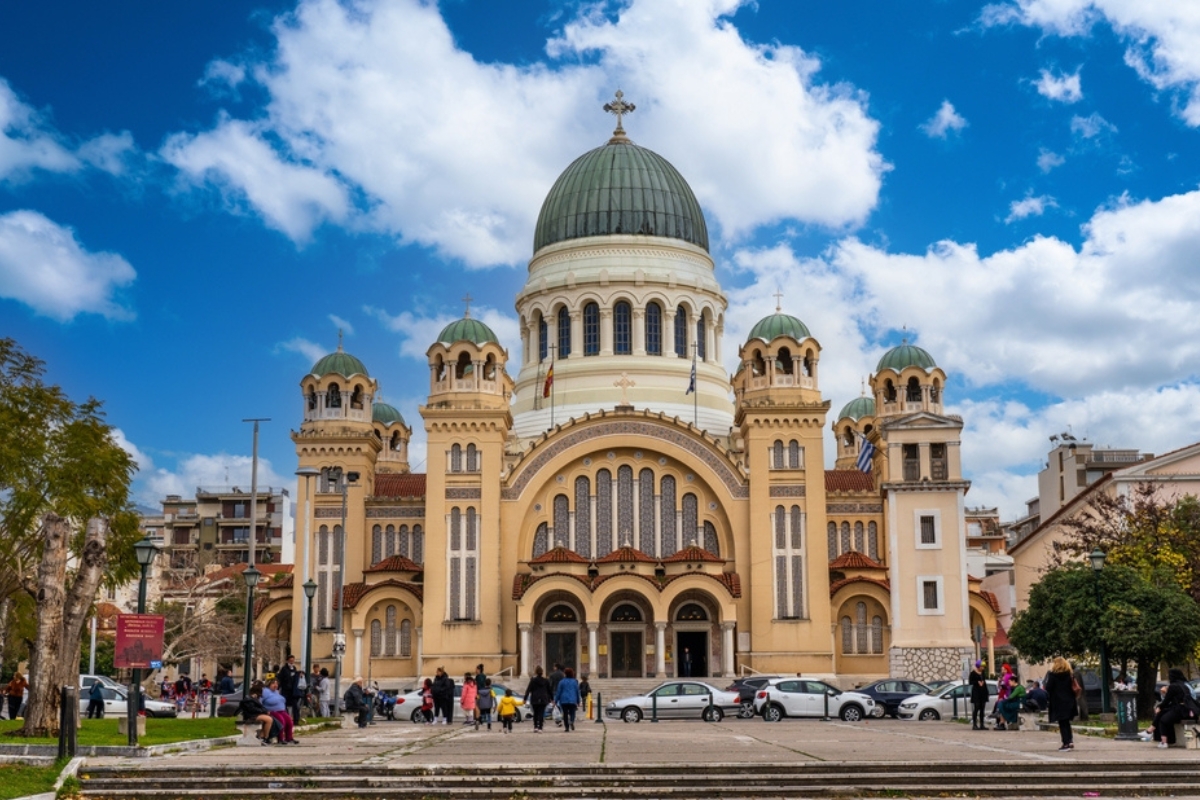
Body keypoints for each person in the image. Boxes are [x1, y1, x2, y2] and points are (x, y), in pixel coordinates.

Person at [1145, 668, 1200, 748]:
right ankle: (1149, 731)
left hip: (1182, 711)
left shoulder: (1173, 686)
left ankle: (1163, 741)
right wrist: (1161, 707)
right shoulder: (1184, 685)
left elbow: (1167, 700)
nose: (1168, 676)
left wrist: (1159, 706)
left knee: (1163, 720)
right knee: (1162, 713)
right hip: (1187, 709)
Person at [1044, 657, 1077, 751]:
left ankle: (1065, 743)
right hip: (1069, 700)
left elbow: (1048, 687)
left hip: (1058, 701)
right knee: (1067, 722)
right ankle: (1070, 741)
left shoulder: (1053, 675)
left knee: (1062, 723)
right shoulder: (1070, 674)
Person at [262, 678, 298, 744]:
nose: (275, 685)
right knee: (281, 721)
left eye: (276, 684)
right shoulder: (265, 691)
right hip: (272, 711)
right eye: (273, 683)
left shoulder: (276, 692)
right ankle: (280, 739)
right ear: (269, 684)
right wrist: (264, 710)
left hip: (282, 711)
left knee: (289, 722)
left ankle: (289, 738)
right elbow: (260, 702)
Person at [524, 665, 552, 733]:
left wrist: (525, 698)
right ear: (542, 672)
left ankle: (535, 726)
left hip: (535, 698)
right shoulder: (546, 681)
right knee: (541, 713)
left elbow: (528, 690)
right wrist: (552, 698)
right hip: (543, 698)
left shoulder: (533, 680)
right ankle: (540, 727)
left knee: (535, 713)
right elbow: (549, 690)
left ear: (536, 672)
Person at [554, 667, 581, 733]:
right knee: (572, 712)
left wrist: (555, 700)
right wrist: (578, 701)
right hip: (572, 699)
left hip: (564, 700)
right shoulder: (574, 682)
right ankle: (571, 721)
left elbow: (558, 692)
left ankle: (567, 727)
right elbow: (577, 691)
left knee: (565, 714)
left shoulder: (561, 682)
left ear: (565, 674)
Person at [968, 660, 988, 730]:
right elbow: (970, 682)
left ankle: (982, 724)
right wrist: (977, 682)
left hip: (983, 691)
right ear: (978, 666)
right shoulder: (973, 673)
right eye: (982, 666)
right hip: (976, 692)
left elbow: (984, 679)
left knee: (982, 708)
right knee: (976, 707)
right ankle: (974, 724)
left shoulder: (983, 672)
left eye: (983, 667)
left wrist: (983, 682)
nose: (983, 668)